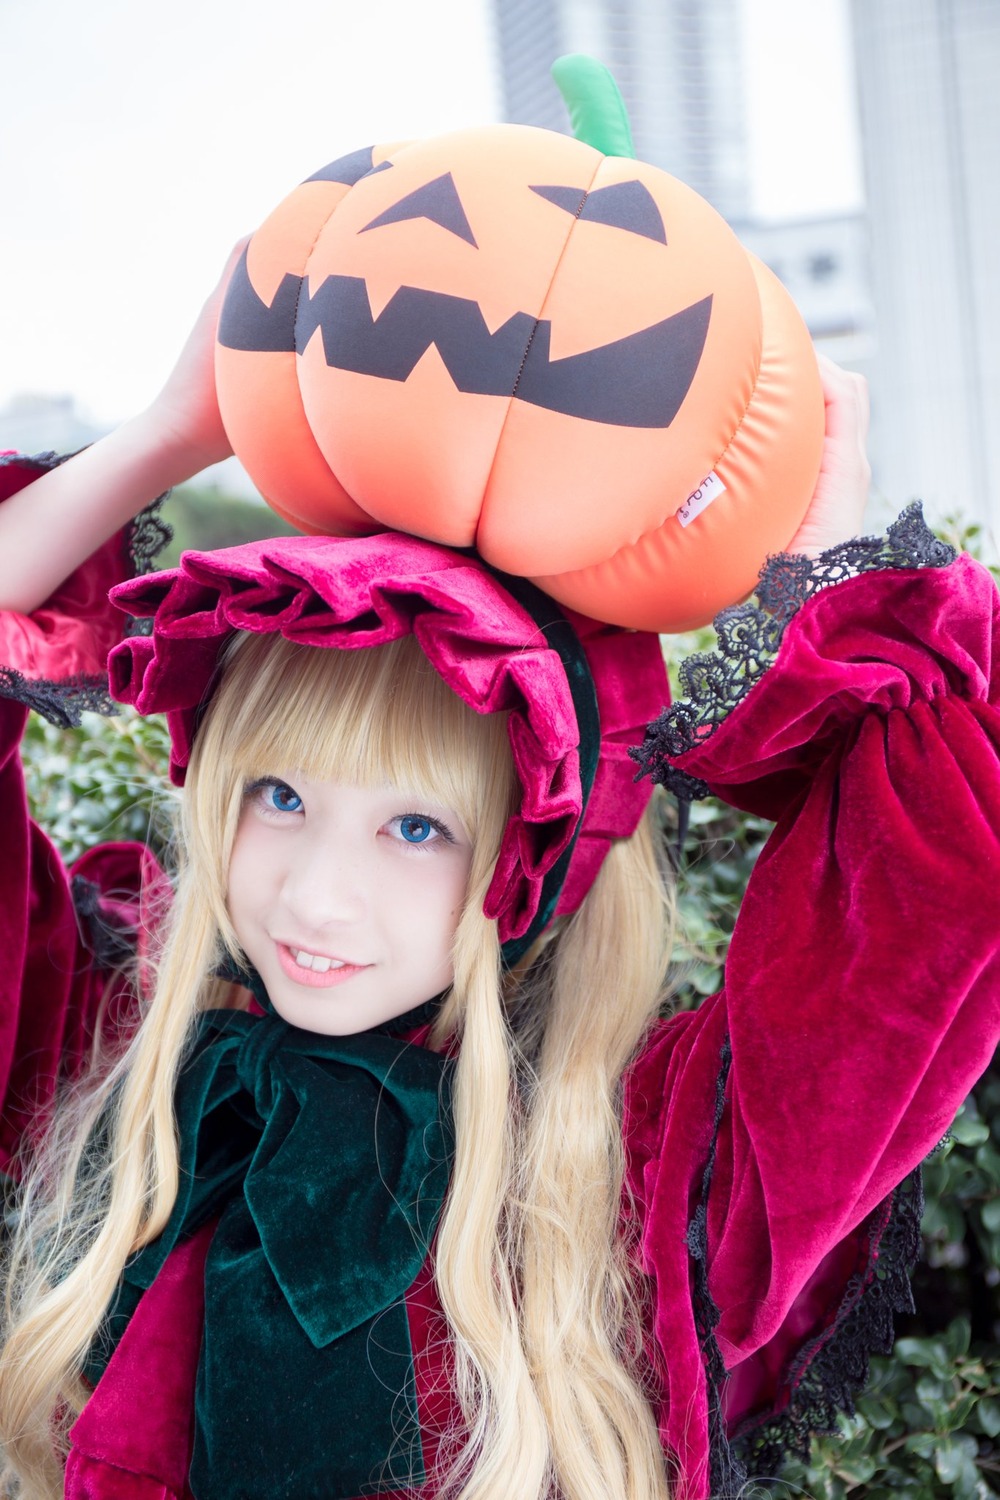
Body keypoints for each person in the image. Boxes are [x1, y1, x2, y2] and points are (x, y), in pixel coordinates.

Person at [0, 261, 997, 1500]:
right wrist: (166, 437)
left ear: (535, 850)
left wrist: (834, 570)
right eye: (282, 799)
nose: (317, 900)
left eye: (417, 829)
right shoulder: (113, 1064)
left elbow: (926, 904)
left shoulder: (631, 1172)